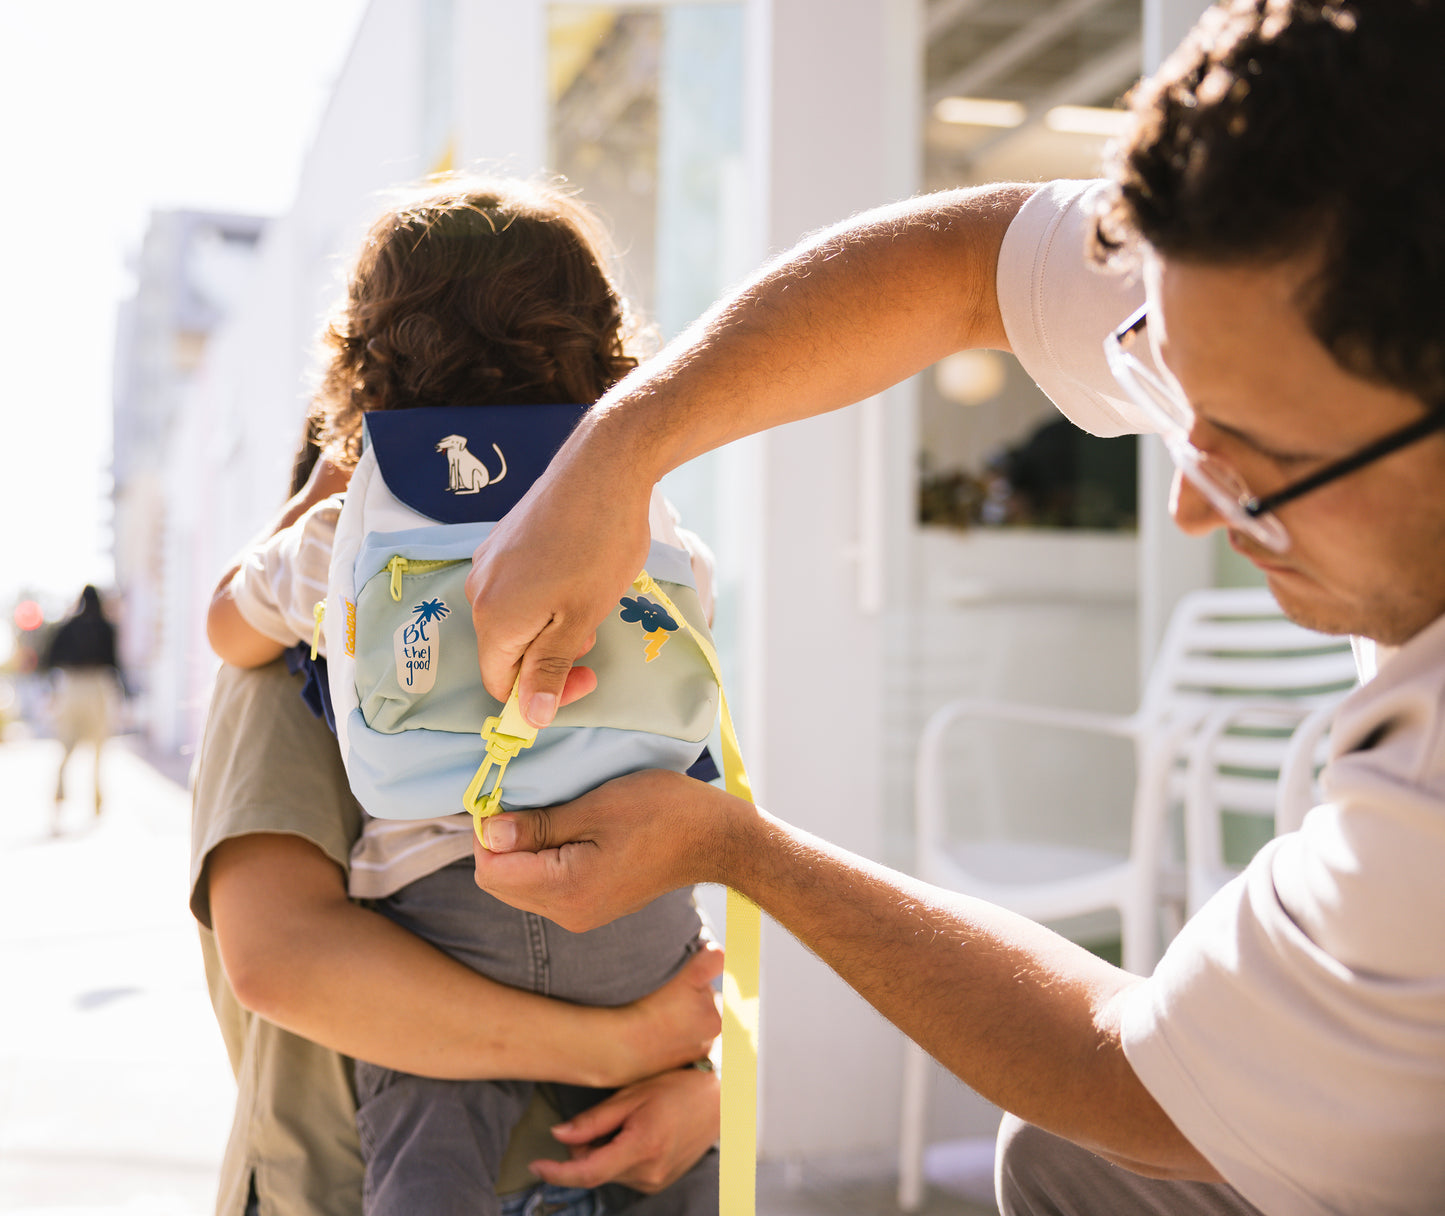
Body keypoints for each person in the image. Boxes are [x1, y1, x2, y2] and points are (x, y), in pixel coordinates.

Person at [461, 2, 1445, 1214]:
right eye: (1169, 390)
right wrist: (615, 456)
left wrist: (735, 844)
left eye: (1250, 458)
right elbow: (967, 267)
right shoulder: (1293, 243)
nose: (1190, 513)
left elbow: (1133, 1074)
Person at [205, 178, 722, 1216]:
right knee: (681, 1156)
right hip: (633, 919)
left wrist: (319, 501)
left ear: (359, 371)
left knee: (426, 1144)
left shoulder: (339, 544)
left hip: (447, 908)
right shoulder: (637, 515)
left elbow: (227, 622)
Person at [42, 584, 121, 824]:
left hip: (72, 686)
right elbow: (115, 662)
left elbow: (49, 658)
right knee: (98, 749)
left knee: (67, 745)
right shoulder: (106, 627)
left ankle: (59, 796)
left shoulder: (68, 627)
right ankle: (96, 803)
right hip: (97, 685)